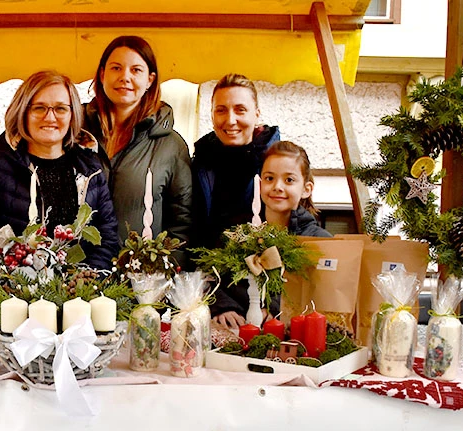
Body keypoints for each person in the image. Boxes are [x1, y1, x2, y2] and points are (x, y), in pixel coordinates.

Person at [0, 70, 119, 291]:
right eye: (39, 108)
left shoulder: (90, 169)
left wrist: (84, 288)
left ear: (72, 114)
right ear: (23, 112)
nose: (50, 117)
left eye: (60, 108)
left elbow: (105, 240)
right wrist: (1, 295)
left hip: (75, 307)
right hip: (7, 308)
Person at [82, 36, 192, 268]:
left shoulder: (171, 146)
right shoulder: (74, 133)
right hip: (77, 276)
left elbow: (182, 222)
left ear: (150, 80)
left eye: (136, 70)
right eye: (116, 68)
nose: (125, 77)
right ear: (102, 75)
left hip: (139, 279)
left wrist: (162, 274)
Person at [211, 140, 332, 323]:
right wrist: (223, 307)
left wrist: (274, 310)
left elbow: (323, 296)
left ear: (306, 189)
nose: (277, 186)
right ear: (259, 184)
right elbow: (211, 279)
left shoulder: (320, 242)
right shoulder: (236, 234)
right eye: (269, 178)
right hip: (236, 334)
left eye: (289, 180)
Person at [192, 73, 281, 252]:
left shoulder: (277, 165)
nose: (230, 120)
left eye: (240, 109)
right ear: (212, 116)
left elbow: (299, 219)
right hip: (205, 273)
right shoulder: (200, 163)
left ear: (256, 115)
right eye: (221, 110)